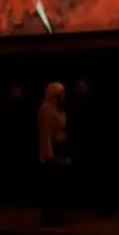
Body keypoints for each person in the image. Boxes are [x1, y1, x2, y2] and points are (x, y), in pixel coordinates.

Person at [37, 81, 70, 225]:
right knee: (53, 184)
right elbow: (46, 134)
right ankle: (51, 216)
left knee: (61, 184)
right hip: (53, 150)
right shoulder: (47, 109)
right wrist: (48, 154)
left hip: (61, 147)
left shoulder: (59, 109)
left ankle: (60, 214)